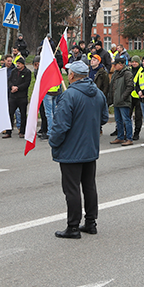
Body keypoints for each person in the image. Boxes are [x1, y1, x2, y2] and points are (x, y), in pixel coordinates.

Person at [49, 60, 108, 239]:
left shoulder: (69, 95)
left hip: (71, 149)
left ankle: (73, 227)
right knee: (89, 186)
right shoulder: (97, 93)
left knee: (72, 189)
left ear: (72, 75)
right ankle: (91, 222)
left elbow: (60, 126)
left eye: (69, 73)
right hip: (90, 147)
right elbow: (104, 118)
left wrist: (53, 141)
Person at [109, 56, 134, 146]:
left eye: (115, 65)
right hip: (116, 100)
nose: (114, 66)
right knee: (118, 120)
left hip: (123, 101)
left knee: (126, 120)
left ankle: (129, 138)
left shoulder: (127, 73)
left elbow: (130, 86)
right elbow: (113, 86)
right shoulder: (116, 73)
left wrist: (123, 97)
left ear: (121, 65)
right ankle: (120, 137)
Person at [4, 56, 31, 138]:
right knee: (10, 113)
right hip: (13, 96)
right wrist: (12, 87)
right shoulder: (14, 71)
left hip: (22, 96)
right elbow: (10, 80)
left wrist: (18, 88)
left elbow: (27, 83)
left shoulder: (27, 72)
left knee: (23, 114)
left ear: (23, 64)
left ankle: (22, 131)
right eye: (17, 63)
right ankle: (9, 131)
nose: (17, 65)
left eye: (19, 64)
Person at [129, 56, 143, 140]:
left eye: (136, 62)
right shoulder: (129, 70)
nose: (134, 63)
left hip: (138, 96)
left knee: (138, 116)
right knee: (128, 115)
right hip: (130, 96)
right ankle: (128, 132)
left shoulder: (141, 71)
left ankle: (136, 133)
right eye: (133, 62)